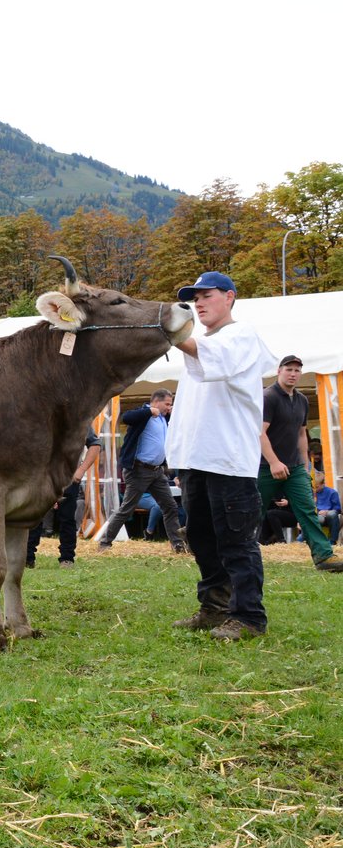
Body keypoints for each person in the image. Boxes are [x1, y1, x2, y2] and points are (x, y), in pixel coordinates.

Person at [166, 271, 283, 641]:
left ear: (229, 297)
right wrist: (180, 462)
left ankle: (249, 617)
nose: (198, 303)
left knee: (236, 541)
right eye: (194, 298)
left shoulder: (241, 335)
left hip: (230, 461)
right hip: (199, 460)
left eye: (207, 295)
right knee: (201, 537)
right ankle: (214, 608)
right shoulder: (205, 343)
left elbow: (209, 355)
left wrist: (167, 328)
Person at [258, 355, 343, 571]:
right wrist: (274, 462)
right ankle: (233, 553)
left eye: (297, 370)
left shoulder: (302, 400)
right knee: (253, 512)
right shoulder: (268, 397)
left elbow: (301, 434)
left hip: (294, 468)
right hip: (265, 467)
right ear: (279, 371)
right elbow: (259, 433)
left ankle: (324, 557)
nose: (293, 373)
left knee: (307, 510)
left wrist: (306, 467)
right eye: (289, 369)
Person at [98, 389, 186, 552]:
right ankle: (105, 542)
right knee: (127, 508)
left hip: (157, 471)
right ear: (156, 402)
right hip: (139, 470)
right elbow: (126, 418)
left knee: (170, 506)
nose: (169, 407)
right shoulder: (143, 413)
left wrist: (172, 413)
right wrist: (148, 411)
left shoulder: (163, 418)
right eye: (167, 404)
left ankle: (177, 544)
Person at [27, 428, 101, 568]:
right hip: (41, 477)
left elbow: (95, 445)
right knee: (35, 517)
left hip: (67, 478)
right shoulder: (40, 414)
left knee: (67, 518)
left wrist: (80, 470)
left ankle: (67, 559)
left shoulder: (79, 418)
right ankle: (27, 558)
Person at [315, 473, 341, 544]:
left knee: (332, 514)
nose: (315, 489)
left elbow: (338, 509)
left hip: (330, 516)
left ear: (323, 484)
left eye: (317, 487)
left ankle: (332, 541)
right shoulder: (312, 493)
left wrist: (327, 511)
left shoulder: (332, 492)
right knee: (318, 518)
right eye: (313, 487)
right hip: (318, 516)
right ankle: (315, 540)